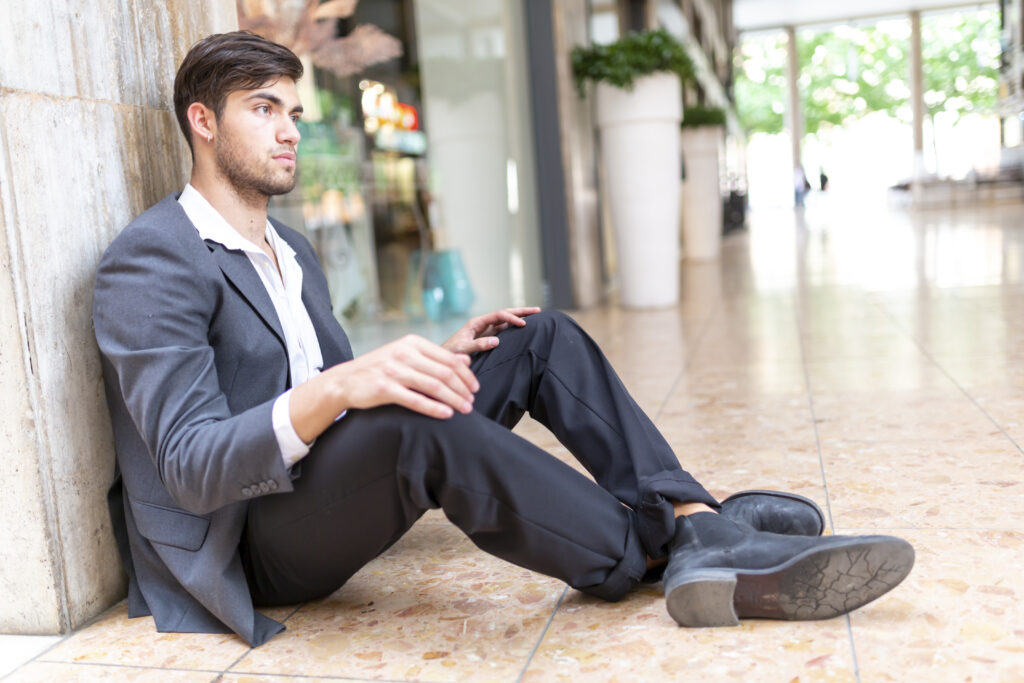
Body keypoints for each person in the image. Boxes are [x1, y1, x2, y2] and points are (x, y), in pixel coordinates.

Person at [93, 31, 914, 647]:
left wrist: (439, 359)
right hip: (249, 534)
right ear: (202, 121)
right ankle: (658, 550)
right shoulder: (152, 258)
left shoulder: (289, 248)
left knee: (534, 334)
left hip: (320, 476)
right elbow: (192, 466)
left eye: (293, 112)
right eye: (263, 110)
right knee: (417, 429)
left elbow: (328, 381)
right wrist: (349, 388)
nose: (290, 133)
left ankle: (691, 511)